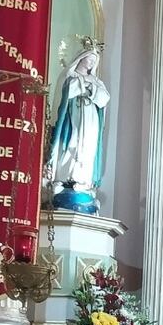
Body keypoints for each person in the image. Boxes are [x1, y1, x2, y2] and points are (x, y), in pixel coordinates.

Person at [48, 47, 110, 214]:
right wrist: (85, 87)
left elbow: (104, 98)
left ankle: (83, 180)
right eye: (88, 59)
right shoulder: (70, 76)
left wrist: (91, 88)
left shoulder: (96, 81)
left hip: (90, 120)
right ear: (80, 58)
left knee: (87, 147)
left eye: (93, 61)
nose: (90, 63)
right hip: (72, 117)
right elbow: (68, 91)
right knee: (71, 143)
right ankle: (63, 178)